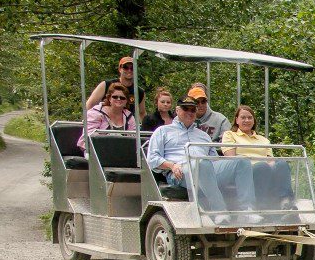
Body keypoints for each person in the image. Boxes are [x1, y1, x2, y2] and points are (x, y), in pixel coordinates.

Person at [144, 95, 260, 224]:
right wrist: (171, 165)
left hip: (205, 168)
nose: (189, 112)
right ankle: (218, 211)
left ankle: (247, 210)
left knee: (242, 161)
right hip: (179, 171)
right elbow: (152, 159)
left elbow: (213, 159)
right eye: (185, 109)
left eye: (193, 110)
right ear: (177, 110)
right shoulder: (162, 131)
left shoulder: (203, 135)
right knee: (201, 163)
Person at [221, 105, 295, 209]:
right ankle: (261, 205)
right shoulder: (230, 135)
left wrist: (274, 166)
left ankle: (286, 200)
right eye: (243, 117)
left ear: (254, 120)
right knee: (262, 167)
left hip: (265, 168)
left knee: (281, 163)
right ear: (237, 120)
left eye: (250, 117)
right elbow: (232, 159)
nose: (247, 120)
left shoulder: (263, 140)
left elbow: (270, 159)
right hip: (244, 171)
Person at [77, 83, 136, 155]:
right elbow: (87, 138)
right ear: (109, 98)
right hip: (98, 152)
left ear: (126, 101)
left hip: (122, 153)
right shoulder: (95, 113)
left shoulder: (129, 117)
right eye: (115, 97)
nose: (118, 99)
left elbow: (134, 139)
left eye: (122, 98)